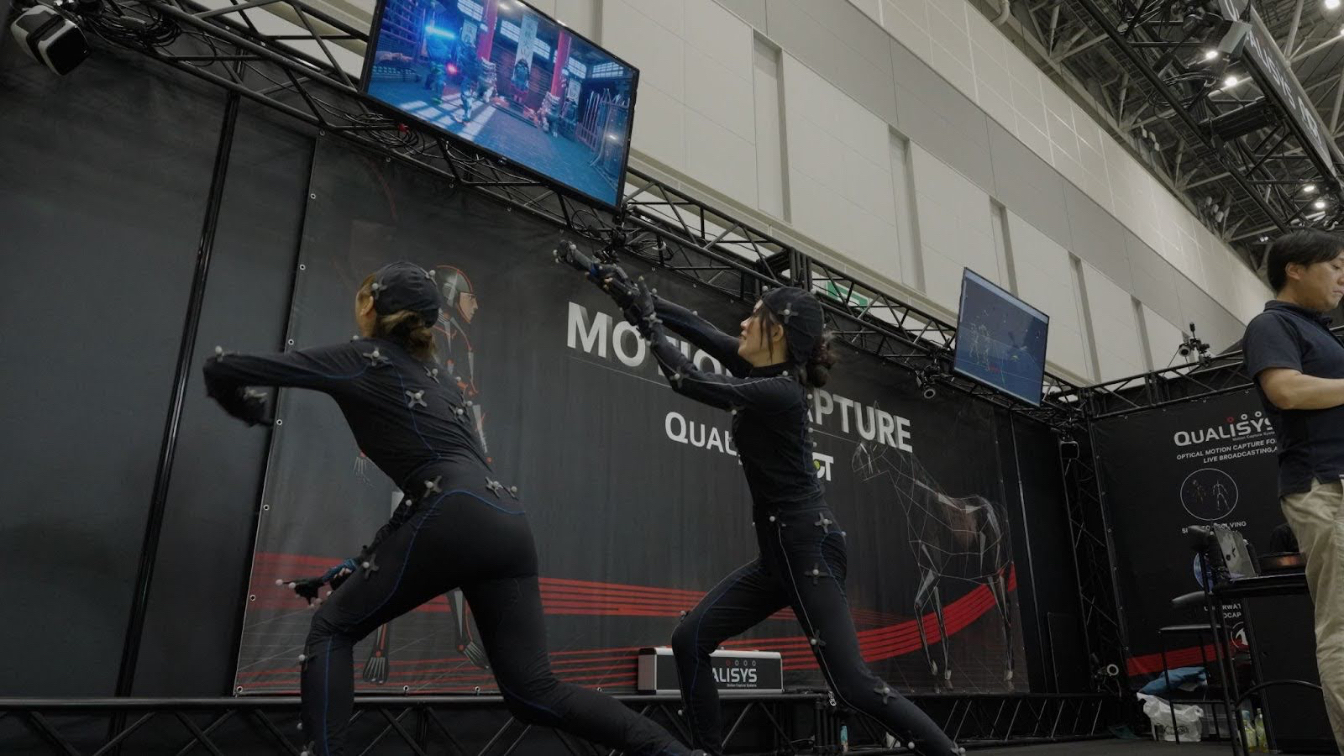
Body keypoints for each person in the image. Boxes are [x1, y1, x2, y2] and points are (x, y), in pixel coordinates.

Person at [204, 262, 701, 756]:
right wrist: (361, 562)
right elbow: (432, 487)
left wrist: (238, 404)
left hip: (456, 512)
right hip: (504, 518)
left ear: (371, 306)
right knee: (533, 691)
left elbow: (223, 367)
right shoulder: (439, 378)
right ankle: (674, 754)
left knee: (331, 630)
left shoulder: (363, 358)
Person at [589, 269, 962, 756]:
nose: (743, 324)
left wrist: (647, 322)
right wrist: (635, 297)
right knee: (690, 638)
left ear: (778, 333)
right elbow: (700, 328)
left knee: (853, 685)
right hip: (779, 554)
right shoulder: (758, 370)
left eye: (755, 317)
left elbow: (688, 379)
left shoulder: (781, 392)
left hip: (809, 550)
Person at [1242, 228, 1344, 752]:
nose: (1342, 278)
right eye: (1335, 267)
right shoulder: (1272, 324)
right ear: (1296, 269)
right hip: (1324, 487)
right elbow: (1285, 390)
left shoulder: (1325, 334)